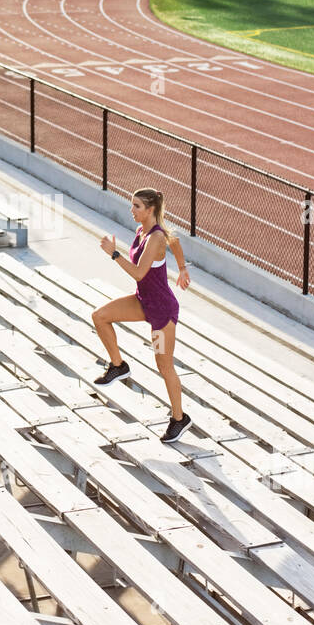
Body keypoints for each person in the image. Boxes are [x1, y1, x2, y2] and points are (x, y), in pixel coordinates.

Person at [90, 189, 194, 443]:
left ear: (150, 209)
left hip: (161, 312)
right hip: (142, 301)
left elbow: (138, 273)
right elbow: (175, 241)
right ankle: (118, 366)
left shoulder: (155, 237)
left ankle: (179, 419)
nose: (132, 210)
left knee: (164, 366)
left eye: (136, 206)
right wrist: (182, 268)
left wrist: (114, 253)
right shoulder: (143, 232)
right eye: (132, 205)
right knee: (100, 316)